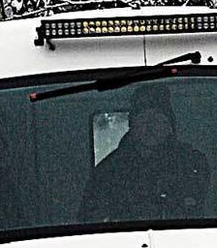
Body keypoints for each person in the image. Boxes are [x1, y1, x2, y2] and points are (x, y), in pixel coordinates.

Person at [82, 82, 209, 222]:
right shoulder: (109, 170)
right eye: (143, 118)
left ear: (169, 125)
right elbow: (91, 218)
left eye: (157, 118)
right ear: (132, 124)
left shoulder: (192, 163)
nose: (150, 126)